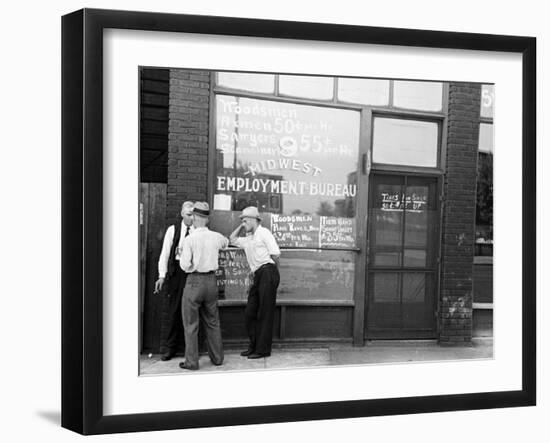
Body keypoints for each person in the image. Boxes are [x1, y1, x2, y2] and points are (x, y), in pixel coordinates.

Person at [178, 202, 228, 370]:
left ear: (196, 218)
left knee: (191, 324)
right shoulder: (217, 236)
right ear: (206, 219)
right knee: (213, 321)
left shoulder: (190, 239)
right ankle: (218, 358)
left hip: (194, 281)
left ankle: (192, 362)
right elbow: (226, 243)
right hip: (211, 281)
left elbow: (184, 265)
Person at [229, 206, 280, 359]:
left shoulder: (264, 233)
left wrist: (274, 275)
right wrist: (241, 226)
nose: (243, 223)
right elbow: (232, 239)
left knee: (265, 313)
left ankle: (262, 350)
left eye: (245, 220)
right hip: (257, 275)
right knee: (250, 313)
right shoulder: (248, 239)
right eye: (242, 221)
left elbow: (276, 254)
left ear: (253, 220)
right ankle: (253, 346)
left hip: (267, 271)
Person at [154, 201, 194, 361]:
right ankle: (170, 348)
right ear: (182, 214)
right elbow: (164, 253)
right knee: (173, 311)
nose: (191, 218)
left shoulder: (198, 231)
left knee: (190, 311)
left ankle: (188, 350)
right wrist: (162, 275)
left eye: (193, 214)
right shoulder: (173, 230)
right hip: (176, 273)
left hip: (191, 272)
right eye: (188, 214)